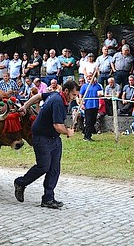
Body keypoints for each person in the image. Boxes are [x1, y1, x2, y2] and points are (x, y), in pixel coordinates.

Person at [14, 80, 80, 209]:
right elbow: (57, 126)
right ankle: (20, 183)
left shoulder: (54, 94)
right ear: (66, 91)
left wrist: (25, 106)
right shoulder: (58, 102)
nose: (74, 98)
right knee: (43, 166)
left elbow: (39, 96)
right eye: (73, 95)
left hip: (54, 138)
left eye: (76, 95)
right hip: (41, 137)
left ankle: (48, 199)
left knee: (54, 169)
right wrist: (68, 132)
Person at [79, 73, 103, 141]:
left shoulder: (98, 86)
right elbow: (81, 95)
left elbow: (100, 95)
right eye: (87, 77)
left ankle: (86, 133)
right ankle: (87, 137)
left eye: (90, 76)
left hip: (95, 105)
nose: (89, 78)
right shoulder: (84, 86)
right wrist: (82, 104)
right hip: (88, 105)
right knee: (88, 121)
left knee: (93, 121)